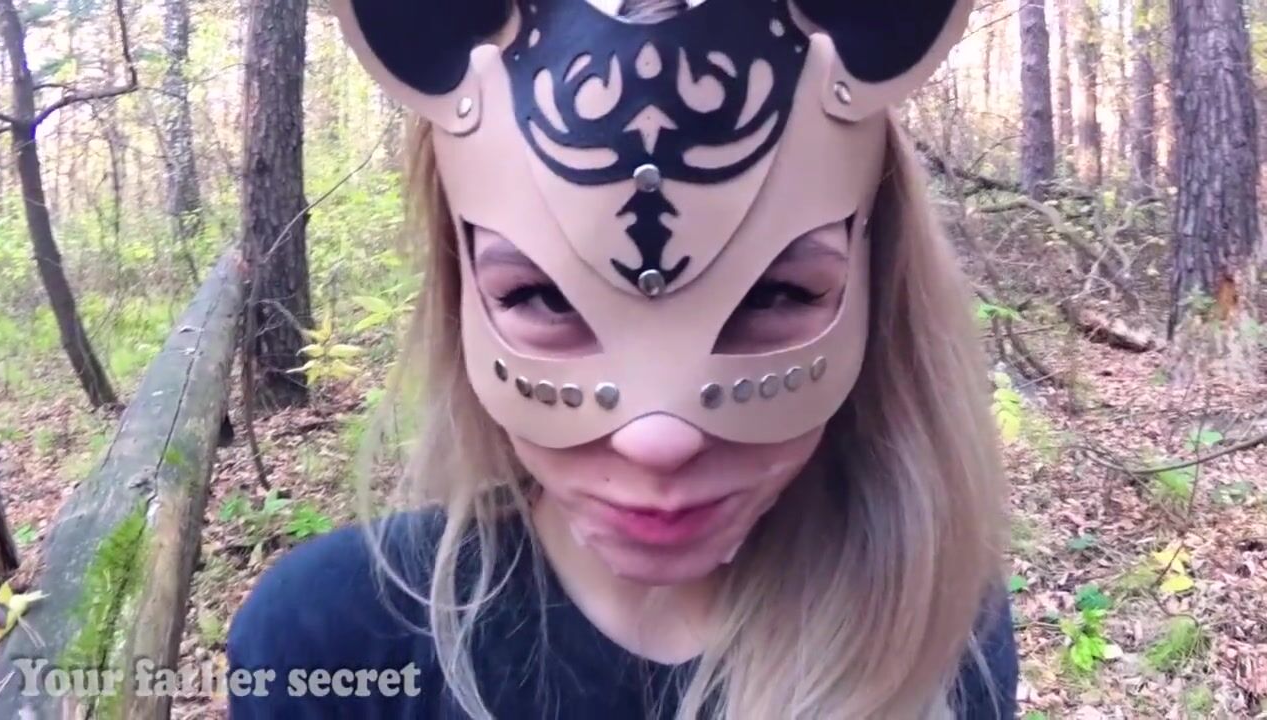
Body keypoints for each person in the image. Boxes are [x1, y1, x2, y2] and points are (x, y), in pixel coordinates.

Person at [227, 0, 1020, 717]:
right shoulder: (326, 644)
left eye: (776, 296)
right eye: (544, 299)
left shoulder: (940, 625)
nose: (657, 440)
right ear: (458, 287)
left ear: (879, 284)